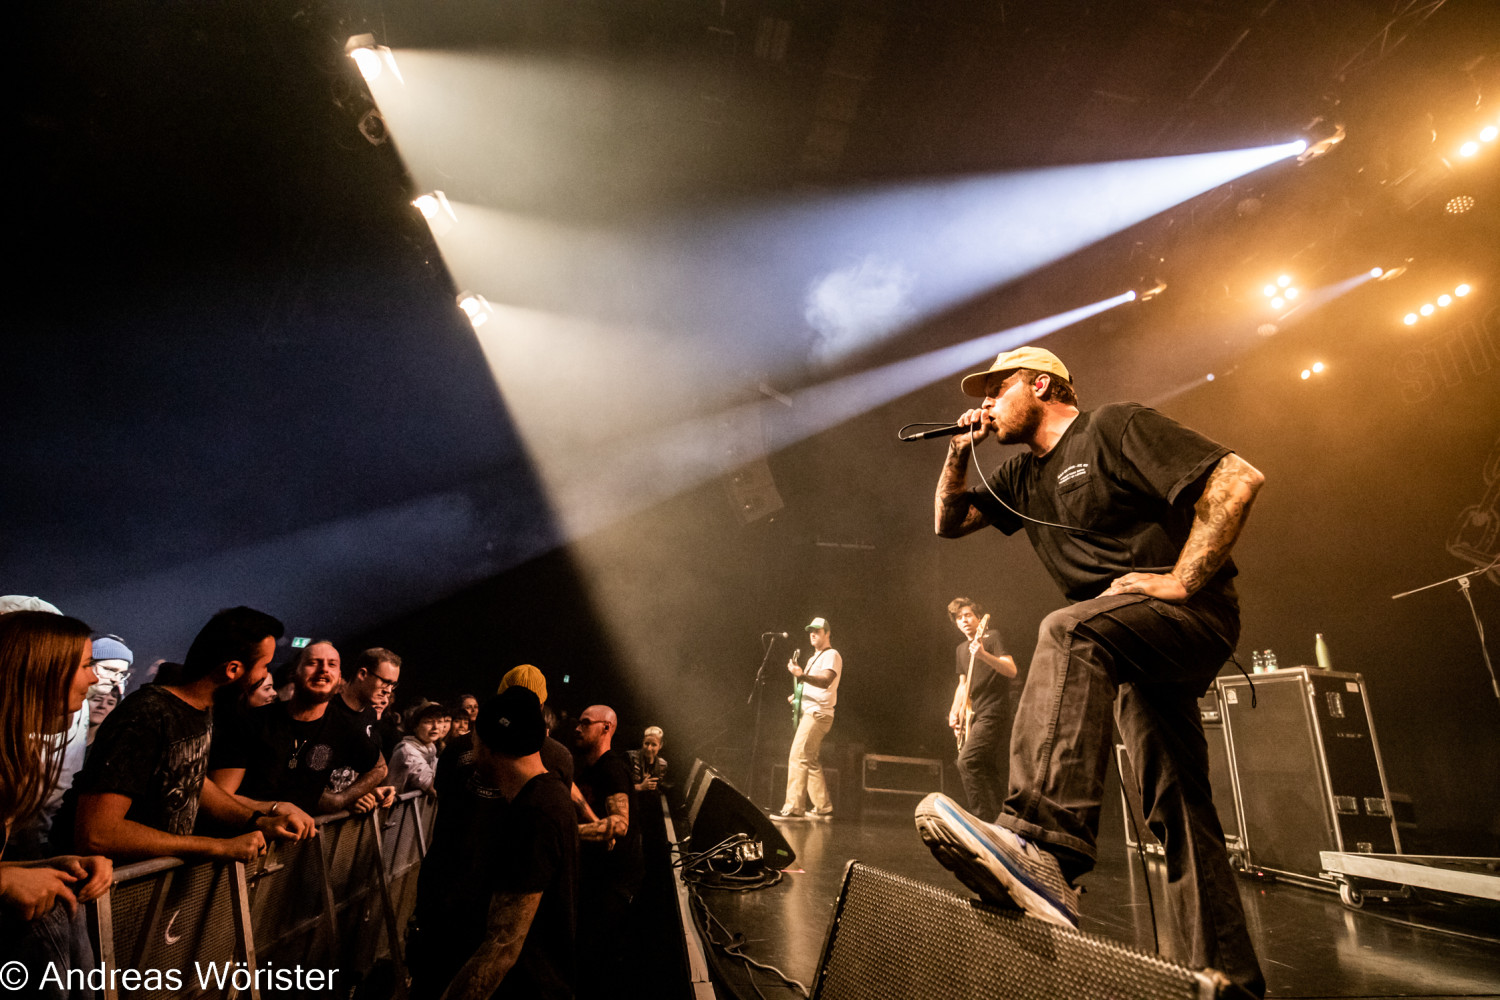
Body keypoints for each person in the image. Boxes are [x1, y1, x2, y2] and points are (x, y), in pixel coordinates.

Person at [916, 346, 1265, 996]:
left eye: (996, 391)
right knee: (1178, 804)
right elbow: (947, 523)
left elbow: (1237, 478)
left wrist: (1183, 580)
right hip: (1125, 644)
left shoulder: (1112, 427)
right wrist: (960, 450)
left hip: (1190, 618)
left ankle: (1044, 848)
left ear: (1040, 384)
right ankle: (1230, 981)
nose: (984, 405)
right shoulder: (1019, 478)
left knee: (1065, 627)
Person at [69, 607, 316, 861]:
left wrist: (259, 820)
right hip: (117, 892)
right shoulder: (147, 715)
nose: (266, 675)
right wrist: (216, 847)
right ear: (232, 670)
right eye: (264, 666)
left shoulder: (200, 710)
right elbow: (97, 833)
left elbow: (191, 780)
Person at [421, 687, 577, 1000]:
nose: (470, 745)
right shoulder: (546, 796)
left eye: (475, 738)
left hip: (522, 989)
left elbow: (502, 947)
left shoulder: (535, 814)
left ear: (490, 746)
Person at [0, 610, 112, 999]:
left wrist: (51, 866)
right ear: (43, 672)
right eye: (85, 666)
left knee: (62, 897)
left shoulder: (14, 757)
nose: (94, 679)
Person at [207, 640, 383, 817]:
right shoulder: (252, 722)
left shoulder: (344, 728)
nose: (323, 669)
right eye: (313, 663)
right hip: (244, 836)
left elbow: (379, 768)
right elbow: (220, 795)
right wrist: (275, 809)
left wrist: (343, 799)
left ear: (339, 679)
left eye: (332, 664)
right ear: (293, 674)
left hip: (302, 840)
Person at [573, 704, 640, 996]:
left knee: (599, 963)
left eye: (585, 723)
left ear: (606, 728)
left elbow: (620, 824)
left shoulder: (612, 768)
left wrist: (568, 834)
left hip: (614, 883)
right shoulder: (587, 766)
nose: (577, 728)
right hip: (597, 879)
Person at [945, 598, 1018, 822]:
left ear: (978, 618)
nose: (964, 620)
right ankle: (1003, 819)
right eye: (959, 617)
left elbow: (1011, 670)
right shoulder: (960, 649)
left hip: (994, 710)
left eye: (968, 615)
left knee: (967, 761)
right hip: (974, 714)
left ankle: (981, 819)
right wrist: (954, 711)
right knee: (985, 767)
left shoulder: (992, 637)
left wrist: (984, 654)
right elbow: (963, 684)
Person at [773, 617, 842, 821]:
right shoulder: (814, 658)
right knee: (810, 761)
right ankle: (823, 808)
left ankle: (794, 808)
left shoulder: (832, 654)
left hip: (818, 714)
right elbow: (812, 684)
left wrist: (801, 675)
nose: (813, 634)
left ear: (827, 634)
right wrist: (798, 696)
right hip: (813, 711)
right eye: (810, 631)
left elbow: (826, 681)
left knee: (798, 756)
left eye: (818, 631)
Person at [327, 647, 400, 813]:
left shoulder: (370, 714)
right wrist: (344, 800)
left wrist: (369, 791)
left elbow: (373, 768)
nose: (388, 690)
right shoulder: (328, 710)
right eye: (385, 681)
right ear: (362, 674)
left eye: (393, 685)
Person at [388, 703, 449, 796]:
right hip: (394, 809)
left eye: (440, 721)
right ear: (415, 726)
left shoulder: (430, 748)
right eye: (428, 722)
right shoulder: (408, 751)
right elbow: (436, 789)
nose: (435, 727)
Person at [628, 726, 668, 793]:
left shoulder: (662, 764)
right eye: (646, 743)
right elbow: (619, 787)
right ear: (642, 742)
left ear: (660, 745)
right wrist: (640, 787)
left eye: (654, 745)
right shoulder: (630, 758)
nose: (649, 748)